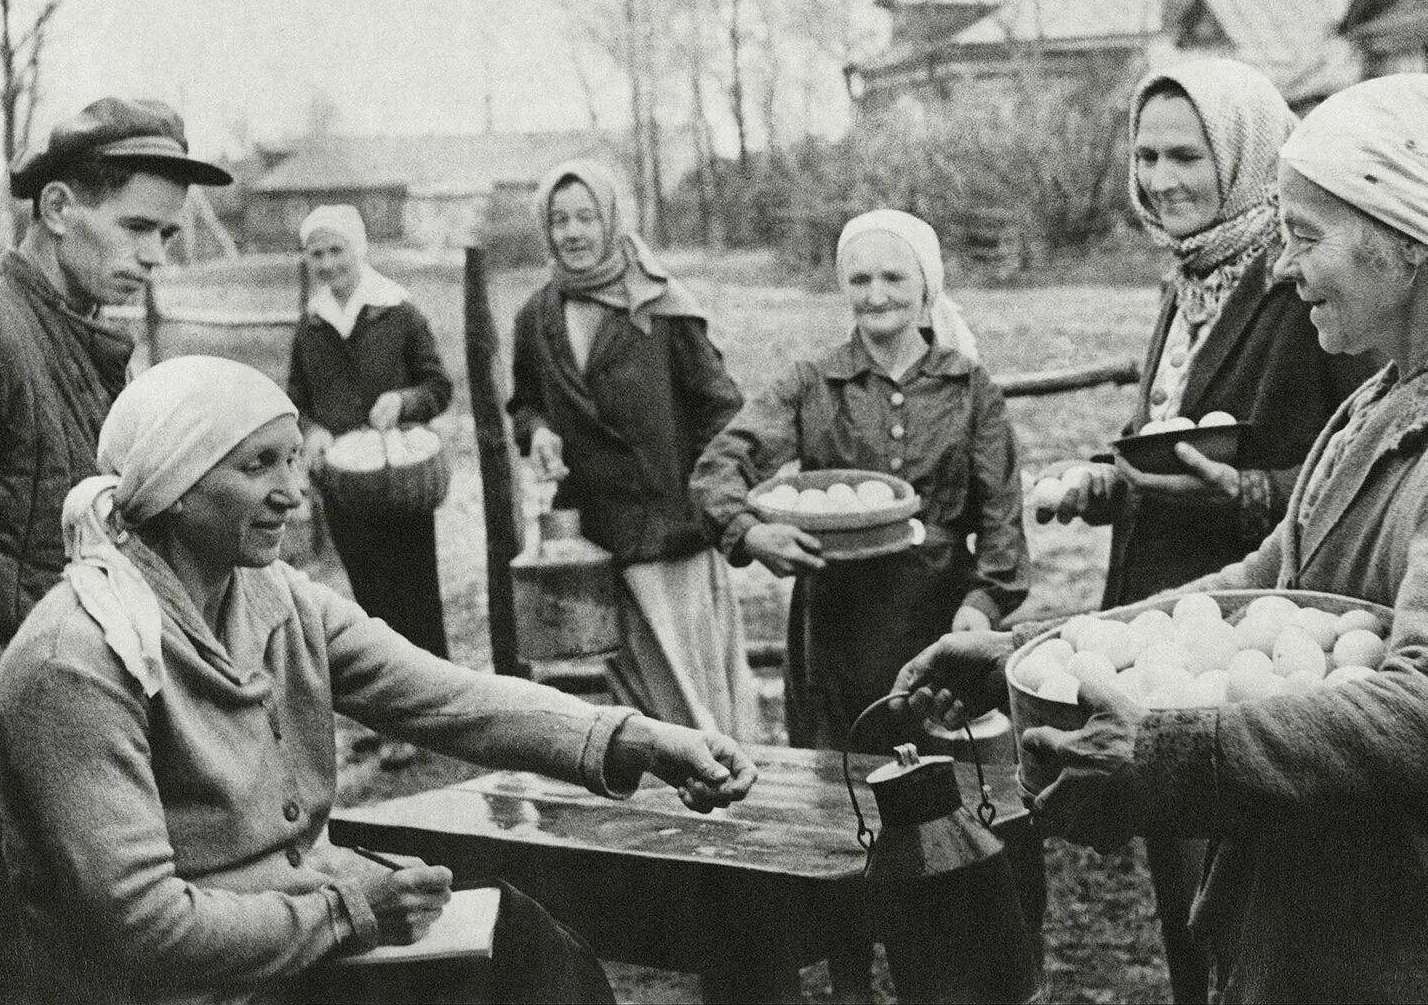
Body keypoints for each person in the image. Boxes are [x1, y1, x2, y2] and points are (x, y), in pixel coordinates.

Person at [895, 74, 1428, 1002]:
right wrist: (1035, 658)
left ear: (1408, 245)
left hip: (1427, 973)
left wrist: (1168, 748)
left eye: (1306, 238)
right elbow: (1268, 579)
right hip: (1328, 956)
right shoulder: (1398, 395)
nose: (1281, 268)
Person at [0, 354, 756, 1005]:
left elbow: (452, 699)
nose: (293, 490)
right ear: (172, 486)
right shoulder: (77, 662)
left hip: (294, 944)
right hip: (194, 987)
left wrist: (637, 740)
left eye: (293, 459)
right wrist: (351, 910)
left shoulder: (275, 598)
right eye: (258, 466)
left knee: (525, 945)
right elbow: (144, 928)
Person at [1031, 57, 1374, 1003]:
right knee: (1183, 899)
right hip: (1161, 632)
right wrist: (1110, 484)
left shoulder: (1307, 286)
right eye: (1145, 155)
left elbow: (1365, 458)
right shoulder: (1186, 281)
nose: (1160, 179)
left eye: (1187, 154)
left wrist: (1252, 494)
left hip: (1256, 648)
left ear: (1246, 154)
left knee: (1256, 909)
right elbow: (1171, 440)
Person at [693, 208, 1029, 751]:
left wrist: (981, 607)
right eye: (860, 279)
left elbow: (1002, 519)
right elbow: (718, 470)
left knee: (948, 800)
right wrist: (751, 533)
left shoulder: (968, 388)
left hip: (939, 620)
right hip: (834, 628)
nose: (876, 294)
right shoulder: (813, 384)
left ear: (926, 284)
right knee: (840, 791)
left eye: (894, 277)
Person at [0, 98, 229, 671]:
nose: (155, 255)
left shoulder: (90, 334)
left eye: (167, 234)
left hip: (79, 672)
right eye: (136, 227)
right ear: (57, 208)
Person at [509, 161, 757, 738]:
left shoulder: (663, 306)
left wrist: (707, 494)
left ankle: (729, 791)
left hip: (672, 530)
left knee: (695, 683)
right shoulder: (537, 317)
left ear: (613, 221)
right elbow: (524, 403)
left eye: (586, 218)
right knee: (636, 690)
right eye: (559, 220)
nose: (572, 233)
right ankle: (671, 803)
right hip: (596, 534)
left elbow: (723, 407)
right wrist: (539, 431)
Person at [288, 204, 453, 661]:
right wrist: (313, 429)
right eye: (316, 254)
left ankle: (434, 711)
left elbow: (439, 386)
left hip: (400, 479)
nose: (327, 264)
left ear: (358, 249)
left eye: (336, 250)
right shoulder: (312, 325)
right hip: (344, 483)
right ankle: (389, 714)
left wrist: (404, 402)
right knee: (370, 599)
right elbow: (296, 400)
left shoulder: (398, 313)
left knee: (415, 595)